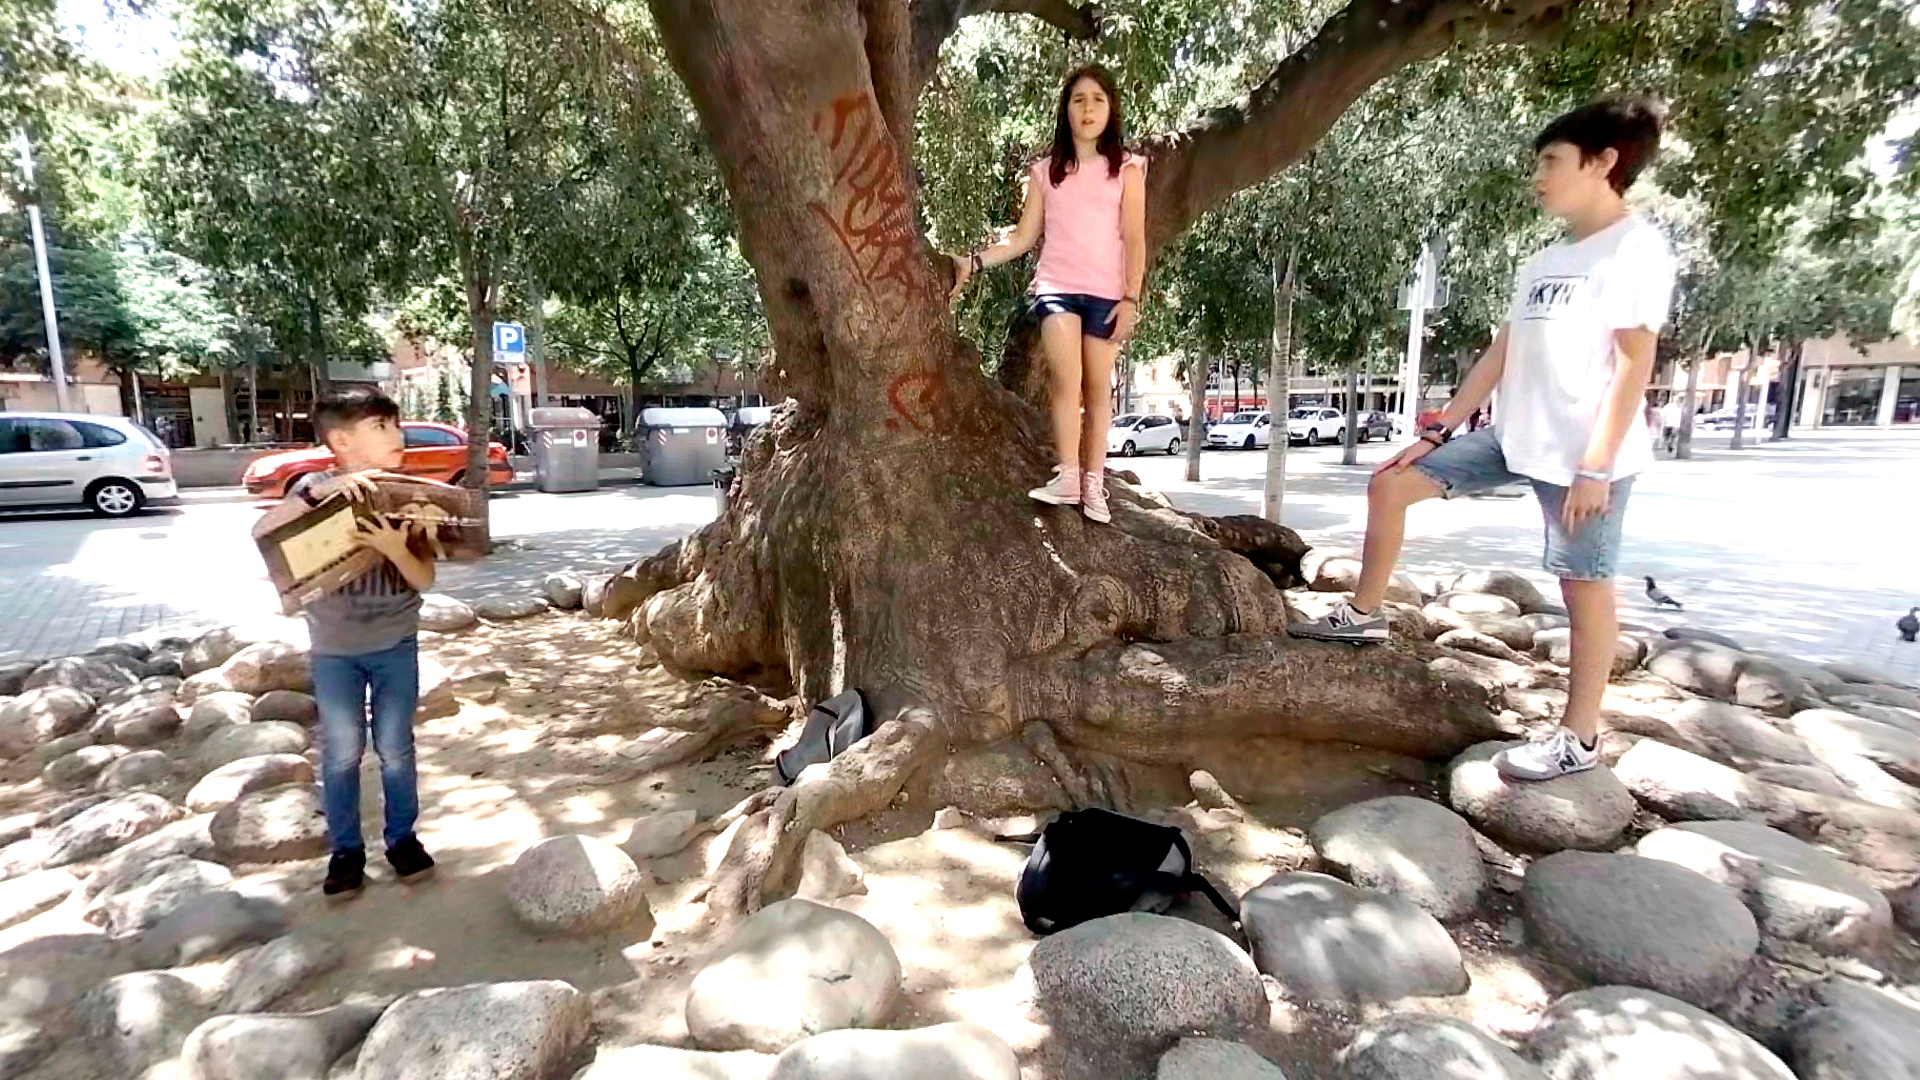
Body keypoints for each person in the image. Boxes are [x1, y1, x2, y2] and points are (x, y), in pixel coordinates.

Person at [1288, 98, 1676, 783]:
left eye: (1551, 161)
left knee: (1583, 586)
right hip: (1512, 436)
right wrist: (1439, 426)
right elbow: (1502, 352)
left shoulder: (1634, 249)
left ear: (1604, 162)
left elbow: (1633, 364)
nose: (1539, 176)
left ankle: (1578, 739)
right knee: (1391, 482)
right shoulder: (1546, 260)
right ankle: (1364, 614)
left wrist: (1595, 466)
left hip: (1585, 457)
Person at [949, 63, 1147, 524]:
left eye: (1097, 99)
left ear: (1111, 108)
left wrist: (1132, 299)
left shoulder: (1128, 170)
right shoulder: (1045, 172)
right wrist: (972, 262)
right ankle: (1070, 474)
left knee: (1099, 389)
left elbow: (1135, 238)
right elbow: (1021, 239)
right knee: (1066, 379)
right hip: (1057, 288)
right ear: (1066, 110)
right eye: (1078, 99)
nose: (1088, 108)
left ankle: (1095, 484)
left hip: (1108, 295)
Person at [284, 387, 440, 898]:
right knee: (341, 752)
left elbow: (424, 578)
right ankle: (346, 850)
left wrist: (396, 547)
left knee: (396, 747)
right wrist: (332, 493)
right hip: (334, 650)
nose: (398, 435)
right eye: (382, 427)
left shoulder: (408, 493)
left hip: (395, 642)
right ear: (341, 440)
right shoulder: (309, 489)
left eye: (396, 425)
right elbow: (280, 540)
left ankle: (402, 840)